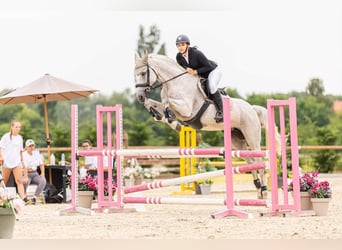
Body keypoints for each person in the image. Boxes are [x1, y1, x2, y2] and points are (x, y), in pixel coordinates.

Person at [175, 34, 223, 122]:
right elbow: (183, 69)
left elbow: (208, 66)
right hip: (200, 75)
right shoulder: (179, 57)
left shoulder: (197, 53)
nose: (180, 47)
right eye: (178, 45)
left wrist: (195, 72)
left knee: (211, 86)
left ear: (187, 45)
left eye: (182, 45)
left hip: (212, 71)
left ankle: (221, 111)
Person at [0, 120, 29, 203]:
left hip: (16, 162)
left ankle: (23, 198)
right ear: (12, 127)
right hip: (7, 162)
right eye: (16, 127)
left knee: (19, 180)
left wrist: (22, 160)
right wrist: (1, 157)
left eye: (19, 127)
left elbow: (20, 151)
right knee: (3, 181)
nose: (18, 129)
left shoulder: (20, 138)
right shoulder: (5, 137)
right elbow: (1, 148)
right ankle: (1, 196)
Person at [22, 139, 47, 204]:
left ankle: (34, 197)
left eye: (33, 146)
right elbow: (24, 167)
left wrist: (42, 173)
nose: (31, 147)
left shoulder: (36, 153)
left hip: (35, 174)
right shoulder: (23, 154)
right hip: (26, 173)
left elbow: (41, 164)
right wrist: (26, 176)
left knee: (43, 180)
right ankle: (24, 197)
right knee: (25, 181)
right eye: (30, 146)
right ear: (26, 147)